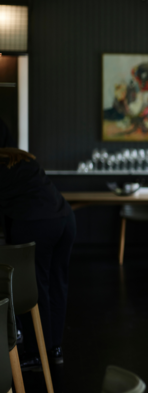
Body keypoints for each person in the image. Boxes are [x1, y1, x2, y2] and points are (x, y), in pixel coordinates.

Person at [0, 146, 76, 369]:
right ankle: (54, 349)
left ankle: (35, 353)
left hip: (38, 223)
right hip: (66, 220)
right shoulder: (19, 158)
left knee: (34, 287)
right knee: (56, 285)